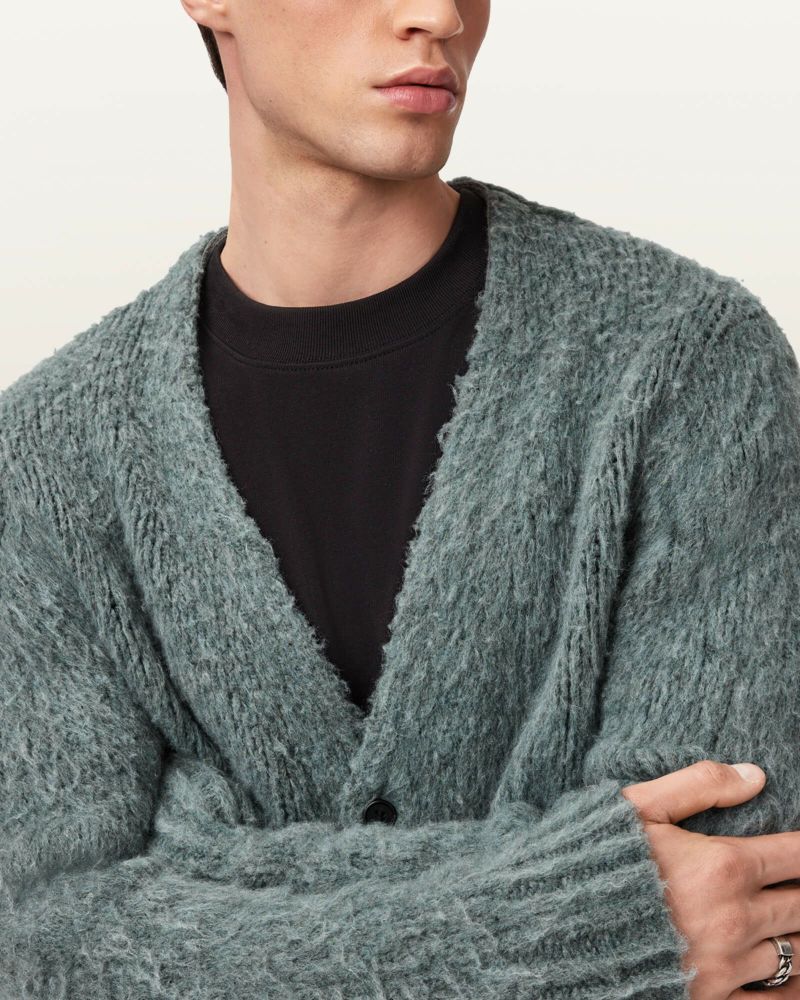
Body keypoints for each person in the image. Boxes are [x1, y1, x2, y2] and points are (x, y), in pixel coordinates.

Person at [2, 2, 799, 997]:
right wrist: (590, 920)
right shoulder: (43, 456)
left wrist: (196, 876)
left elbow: (735, 894)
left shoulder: (689, 365)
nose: (438, 14)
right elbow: (37, 944)